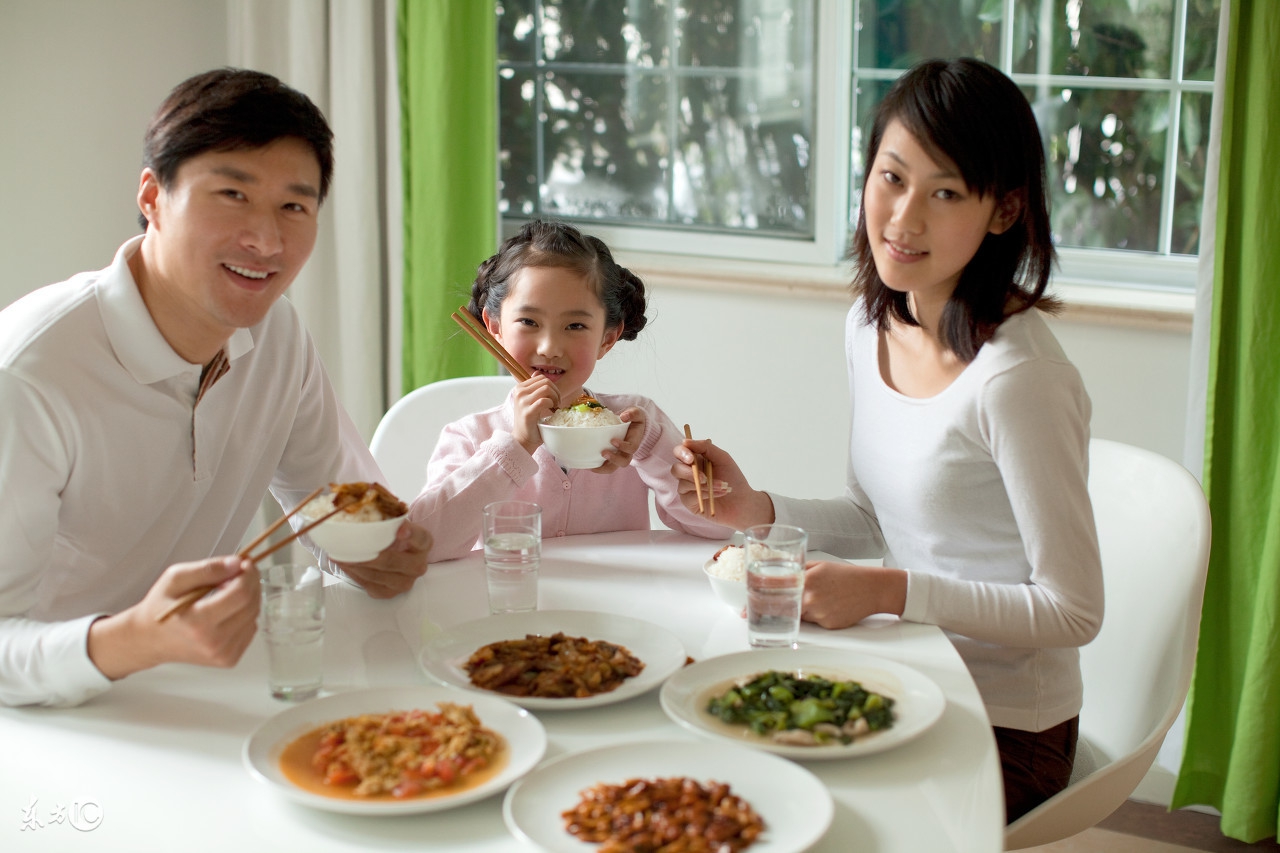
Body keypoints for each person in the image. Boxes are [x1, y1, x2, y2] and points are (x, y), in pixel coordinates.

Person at [673, 58, 1104, 822]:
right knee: (713, 754)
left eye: (944, 193)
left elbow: (1074, 611)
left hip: (1007, 725)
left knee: (800, 808)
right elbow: (875, 517)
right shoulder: (871, 324)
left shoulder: (1019, 378)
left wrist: (890, 591)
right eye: (891, 178)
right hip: (907, 669)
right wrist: (755, 507)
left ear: (1003, 211)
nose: (903, 219)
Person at [0, 68, 430, 708]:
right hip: (43, 725)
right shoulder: (29, 373)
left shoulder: (277, 334)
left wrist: (371, 555)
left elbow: (335, 505)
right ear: (152, 196)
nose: (266, 240)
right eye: (232, 194)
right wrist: (136, 640)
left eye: (294, 206)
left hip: (193, 696)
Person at [409, 220, 729, 559]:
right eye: (529, 322)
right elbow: (420, 544)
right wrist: (517, 445)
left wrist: (650, 445)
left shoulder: (635, 424)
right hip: (507, 607)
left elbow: (716, 526)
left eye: (575, 325)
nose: (549, 347)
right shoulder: (469, 437)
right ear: (494, 327)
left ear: (607, 338)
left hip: (620, 607)